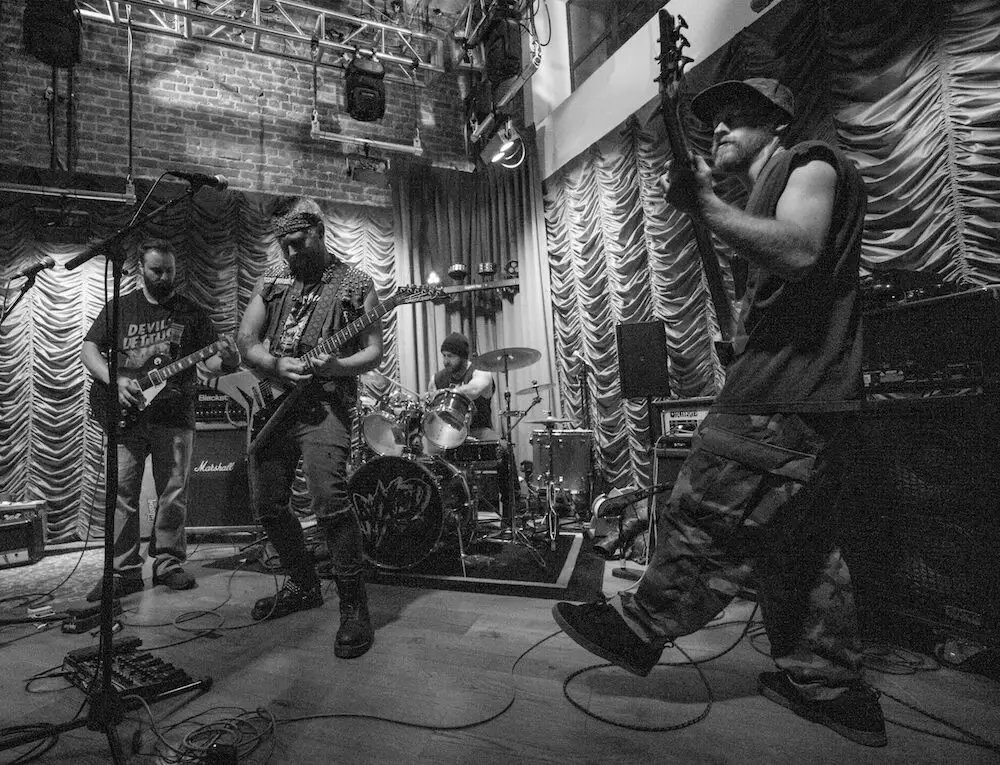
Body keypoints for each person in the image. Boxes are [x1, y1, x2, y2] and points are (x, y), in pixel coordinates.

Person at [552, 78, 883, 746]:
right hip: (805, 393)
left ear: (777, 122)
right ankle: (830, 685)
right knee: (798, 548)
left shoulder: (809, 162)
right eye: (716, 121)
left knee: (707, 508)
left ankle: (641, 627)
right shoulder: (763, 194)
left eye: (738, 117)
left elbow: (800, 249)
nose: (721, 129)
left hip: (780, 395)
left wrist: (704, 205)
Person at [237, 196, 383, 659]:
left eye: (299, 242)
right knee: (268, 505)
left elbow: (373, 351)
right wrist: (274, 365)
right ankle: (303, 585)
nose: (291, 252)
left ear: (319, 232)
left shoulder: (356, 283)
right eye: (284, 245)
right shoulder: (273, 280)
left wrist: (338, 365)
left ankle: (354, 607)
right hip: (275, 404)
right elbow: (246, 341)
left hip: (325, 405)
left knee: (330, 501)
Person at [82, 238, 240, 602]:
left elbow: (211, 363)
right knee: (122, 494)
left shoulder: (191, 312)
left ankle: (168, 564)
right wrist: (115, 381)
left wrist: (230, 360)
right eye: (157, 271)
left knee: (173, 493)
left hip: (175, 414)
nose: (165, 277)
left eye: (170, 270)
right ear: (141, 269)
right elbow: (89, 349)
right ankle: (123, 571)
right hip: (126, 416)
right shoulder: (120, 307)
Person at [425, 332, 499, 444]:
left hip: (479, 432)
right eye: (444, 356)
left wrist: (443, 393)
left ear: (463, 357)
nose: (446, 361)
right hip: (448, 435)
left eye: (450, 356)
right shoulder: (437, 379)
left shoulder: (480, 372)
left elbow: (474, 390)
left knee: (496, 444)